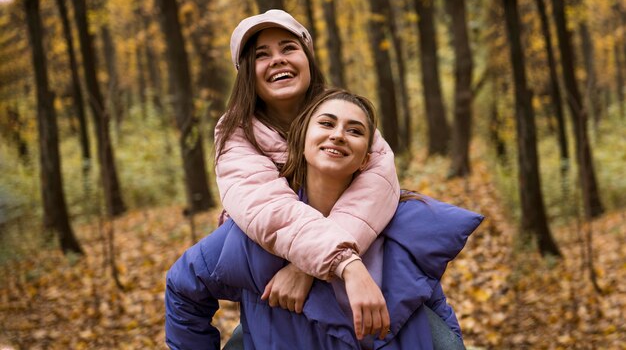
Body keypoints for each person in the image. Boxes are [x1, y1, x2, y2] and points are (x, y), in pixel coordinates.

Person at [165, 89, 484, 349]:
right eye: (327, 124)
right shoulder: (258, 230)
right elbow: (183, 287)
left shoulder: (400, 221)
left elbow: (435, 310)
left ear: (366, 159)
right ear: (301, 141)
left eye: (355, 130)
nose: (339, 135)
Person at [213, 9, 401, 339]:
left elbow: (377, 186)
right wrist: (335, 261)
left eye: (288, 48)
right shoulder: (236, 133)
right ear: (246, 73)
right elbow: (269, 209)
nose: (278, 60)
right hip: (279, 296)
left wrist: (308, 268)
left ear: (307, 58)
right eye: (262, 55)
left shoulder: (344, 113)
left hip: (365, 275)